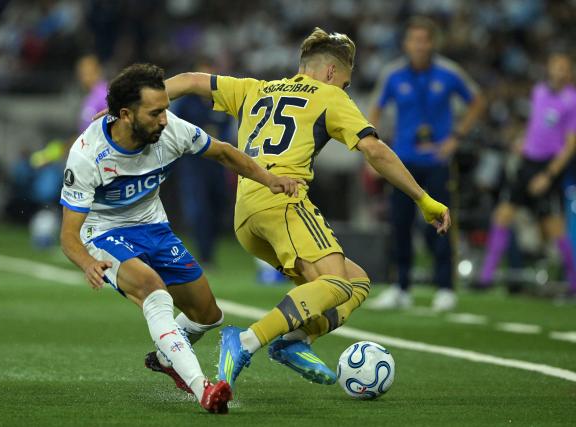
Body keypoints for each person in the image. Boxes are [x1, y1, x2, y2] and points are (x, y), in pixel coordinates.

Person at [163, 27, 451, 389]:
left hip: (246, 215)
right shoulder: (330, 95)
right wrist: (423, 199)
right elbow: (375, 150)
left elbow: (189, 80)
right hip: (283, 201)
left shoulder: (255, 88)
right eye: (345, 83)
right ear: (332, 73)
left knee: (357, 280)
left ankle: (295, 340)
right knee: (336, 284)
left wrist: (137, 104)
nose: (344, 90)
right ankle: (248, 341)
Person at [59, 63, 301, 413]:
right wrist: (88, 263)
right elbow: (68, 234)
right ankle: (203, 388)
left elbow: (223, 152)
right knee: (153, 291)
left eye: (166, 110)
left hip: (154, 227)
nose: (163, 119)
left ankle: (165, 357)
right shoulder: (87, 154)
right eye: (155, 112)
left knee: (207, 315)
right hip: (104, 232)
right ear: (126, 115)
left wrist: (268, 179)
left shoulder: (173, 130)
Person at [368, 17, 485, 311]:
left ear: (434, 43)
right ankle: (401, 287)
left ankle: (445, 288)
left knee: (443, 223)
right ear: (406, 44)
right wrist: (372, 148)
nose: (420, 45)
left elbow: (478, 101)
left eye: (425, 40)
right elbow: (375, 109)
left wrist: (456, 137)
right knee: (399, 224)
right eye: (414, 40)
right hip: (402, 163)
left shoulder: (449, 72)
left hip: (438, 161)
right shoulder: (392, 75)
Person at [474, 52, 576, 293]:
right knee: (502, 216)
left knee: (555, 229)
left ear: (569, 72)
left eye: (564, 68)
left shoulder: (571, 100)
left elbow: (571, 144)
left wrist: (549, 175)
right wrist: (523, 142)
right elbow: (537, 124)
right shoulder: (539, 91)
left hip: (547, 168)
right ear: (549, 69)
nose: (559, 72)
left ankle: (574, 284)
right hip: (526, 163)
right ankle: (486, 277)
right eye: (555, 67)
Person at [171, 58, 234, 268]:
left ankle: (210, 252)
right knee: (199, 209)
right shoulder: (186, 103)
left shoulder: (222, 103)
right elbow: (175, 128)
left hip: (217, 164)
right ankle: (204, 255)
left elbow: (227, 132)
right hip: (193, 164)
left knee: (217, 206)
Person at [76, 54, 108, 132]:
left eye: (88, 72)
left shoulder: (105, 94)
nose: (84, 77)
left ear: (98, 71)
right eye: (82, 73)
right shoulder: (88, 97)